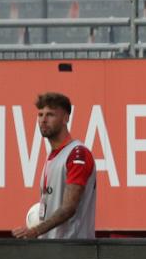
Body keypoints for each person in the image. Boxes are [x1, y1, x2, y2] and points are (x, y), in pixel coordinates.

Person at [12, 92, 96, 240]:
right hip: (52, 249)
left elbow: (69, 208)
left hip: (73, 249)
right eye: (40, 115)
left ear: (65, 118)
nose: (43, 120)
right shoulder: (52, 156)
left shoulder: (77, 154)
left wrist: (36, 230)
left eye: (50, 115)